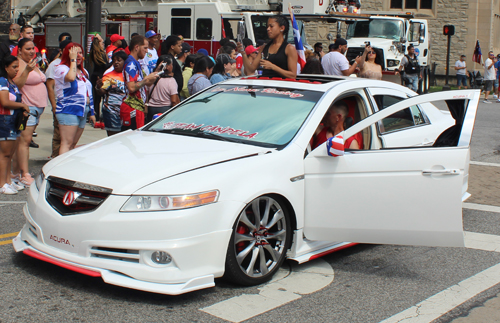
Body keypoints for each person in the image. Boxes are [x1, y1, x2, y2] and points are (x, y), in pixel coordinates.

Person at [12, 38, 47, 186]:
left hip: (37, 108)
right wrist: (26, 71)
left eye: (33, 48)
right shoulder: (18, 64)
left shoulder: (32, 63)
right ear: (19, 50)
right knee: (24, 142)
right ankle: (24, 174)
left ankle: (17, 171)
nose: (32, 51)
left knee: (22, 141)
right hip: (27, 108)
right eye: (28, 49)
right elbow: (17, 84)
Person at [54, 43, 96, 155]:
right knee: (66, 144)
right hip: (68, 110)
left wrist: (92, 112)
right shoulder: (61, 68)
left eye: (80, 53)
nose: (78, 56)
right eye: (74, 53)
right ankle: (60, 169)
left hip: (82, 110)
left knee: (72, 145)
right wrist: (72, 60)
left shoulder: (83, 72)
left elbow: (88, 92)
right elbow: (71, 78)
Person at [0, 55, 30, 194]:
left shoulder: (11, 83)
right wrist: (22, 105)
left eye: (17, 66)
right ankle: (2, 184)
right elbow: (5, 102)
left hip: (14, 121)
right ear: (5, 68)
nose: (16, 70)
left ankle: (8, 181)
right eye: (13, 67)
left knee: (10, 154)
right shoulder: (2, 81)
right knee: (4, 154)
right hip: (5, 120)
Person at [239, 15, 298, 79]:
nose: (268, 29)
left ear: (282, 28)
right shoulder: (264, 47)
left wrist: (272, 67)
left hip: (281, 87)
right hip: (266, 86)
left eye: (271, 26)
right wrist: (243, 53)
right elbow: (250, 70)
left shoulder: (289, 49)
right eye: (267, 26)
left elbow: (292, 75)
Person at [121, 35, 159, 130]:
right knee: (134, 138)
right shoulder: (131, 63)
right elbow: (132, 87)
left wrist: (156, 73)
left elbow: (145, 84)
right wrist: (146, 79)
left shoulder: (136, 62)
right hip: (132, 107)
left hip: (137, 107)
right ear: (136, 47)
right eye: (145, 48)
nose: (147, 51)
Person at [45, 39, 72, 159]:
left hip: (72, 105)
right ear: (61, 51)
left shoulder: (72, 64)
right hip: (60, 104)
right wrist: (54, 106)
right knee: (58, 134)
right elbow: (50, 87)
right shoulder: (54, 65)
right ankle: (55, 157)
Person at [97, 50, 127, 136]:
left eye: (119, 60)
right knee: (114, 138)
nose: (116, 63)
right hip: (112, 112)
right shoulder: (109, 76)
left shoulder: (129, 74)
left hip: (126, 112)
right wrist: (98, 87)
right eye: (114, 61)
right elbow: (102, 91)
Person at [146, 55, 180, 122]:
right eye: (171, 64)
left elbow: (146, 93)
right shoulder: (171, 80)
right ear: (167, 66)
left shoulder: (151, 78)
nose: (172, 66)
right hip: (165, 110)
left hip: (151, 109)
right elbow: (174, 101)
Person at [89, 34, 108, 123]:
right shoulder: (100, 54)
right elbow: (105, 65)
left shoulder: (95, 53)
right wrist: (114, 62)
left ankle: (96, 115)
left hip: (96, 75)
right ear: (98, 43)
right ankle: (100, 116)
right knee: (101, 97)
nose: (103, 44)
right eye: (102, 42)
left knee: (97, 98)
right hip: (99, 76)